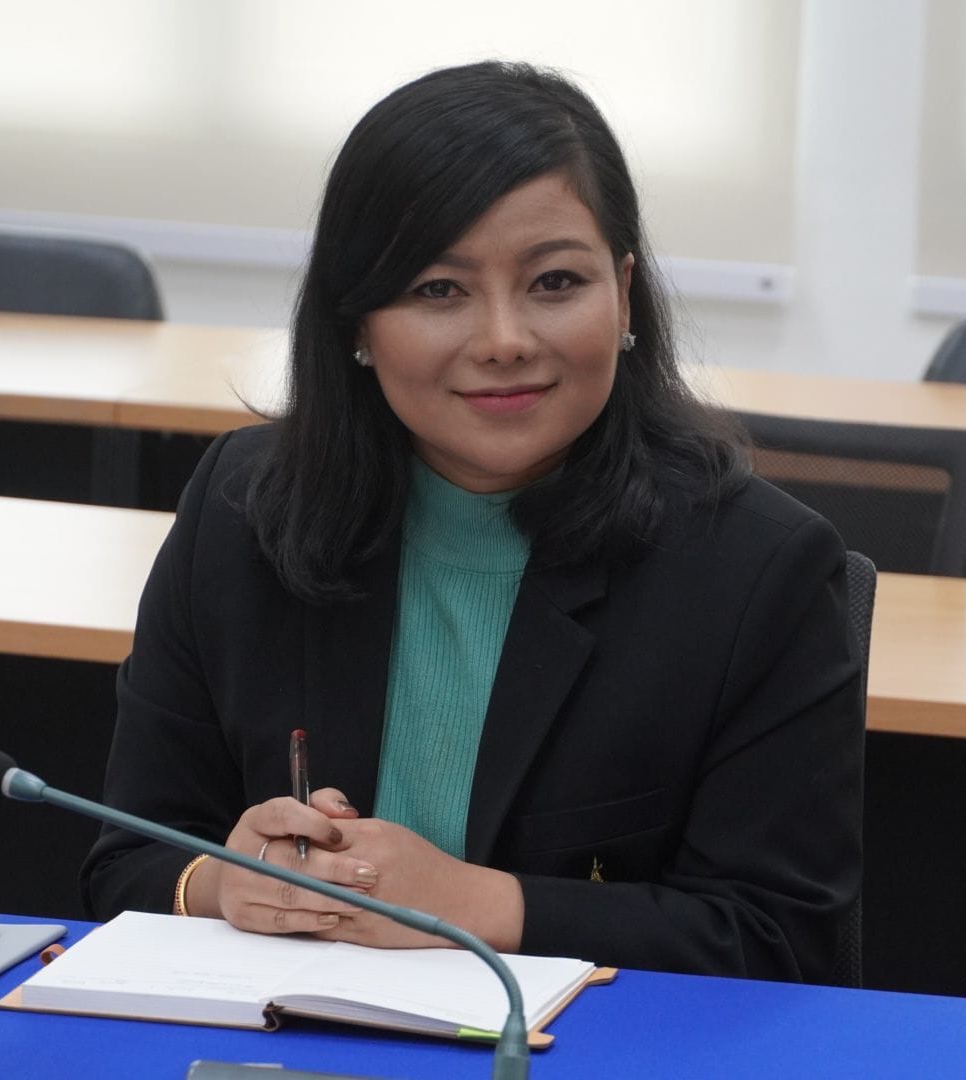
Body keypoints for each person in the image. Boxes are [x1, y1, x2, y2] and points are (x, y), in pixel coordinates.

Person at [81, 60, 862, 984]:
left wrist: (476, 905)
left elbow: (781, 944)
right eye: (437, 291)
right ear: (356, 324)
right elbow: (127, 861)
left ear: (622, 295)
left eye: (555, 281)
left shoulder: (758, 570)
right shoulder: (244, 507)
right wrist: (222, 882)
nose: (503, 340)